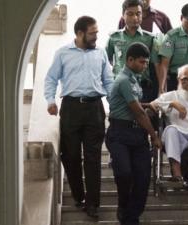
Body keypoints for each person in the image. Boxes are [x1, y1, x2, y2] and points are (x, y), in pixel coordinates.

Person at [44, 16, 114, 218]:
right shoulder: (63, 53)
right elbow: (51, 79)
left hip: (95, 109)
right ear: (80, 33)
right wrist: (50, 101)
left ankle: (93, 204)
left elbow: (108, 81)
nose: (96, 36)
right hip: (71, 108)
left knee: (92, 159)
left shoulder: (100, 53)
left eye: (96, 32)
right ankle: (79, 196)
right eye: (92, 32)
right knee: (71, 156)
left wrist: (114, 105)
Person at [105, 42, 162, 225]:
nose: (145, 66)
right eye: (141, 62)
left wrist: (150, 107)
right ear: (129, 60)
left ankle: (131, 217)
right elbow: (137, 112)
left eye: (146, 62)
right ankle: (123, 207)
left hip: (137, 137)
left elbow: (138, 107)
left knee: (143, 178)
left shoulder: (135, 80)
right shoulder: (122, 80)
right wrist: (154, 136)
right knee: (125, 174)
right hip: (120, 133)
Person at [106, 0, 159, 102]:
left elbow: (156, 64)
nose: (135, 18)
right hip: (120, 86)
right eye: (130, 14)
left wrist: (161, 88)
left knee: (144, 115)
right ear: (123, 15)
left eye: (138, 14)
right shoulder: (114, 38)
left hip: (143, 86)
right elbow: (107, 61)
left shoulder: (150, 38)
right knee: (121, 116)